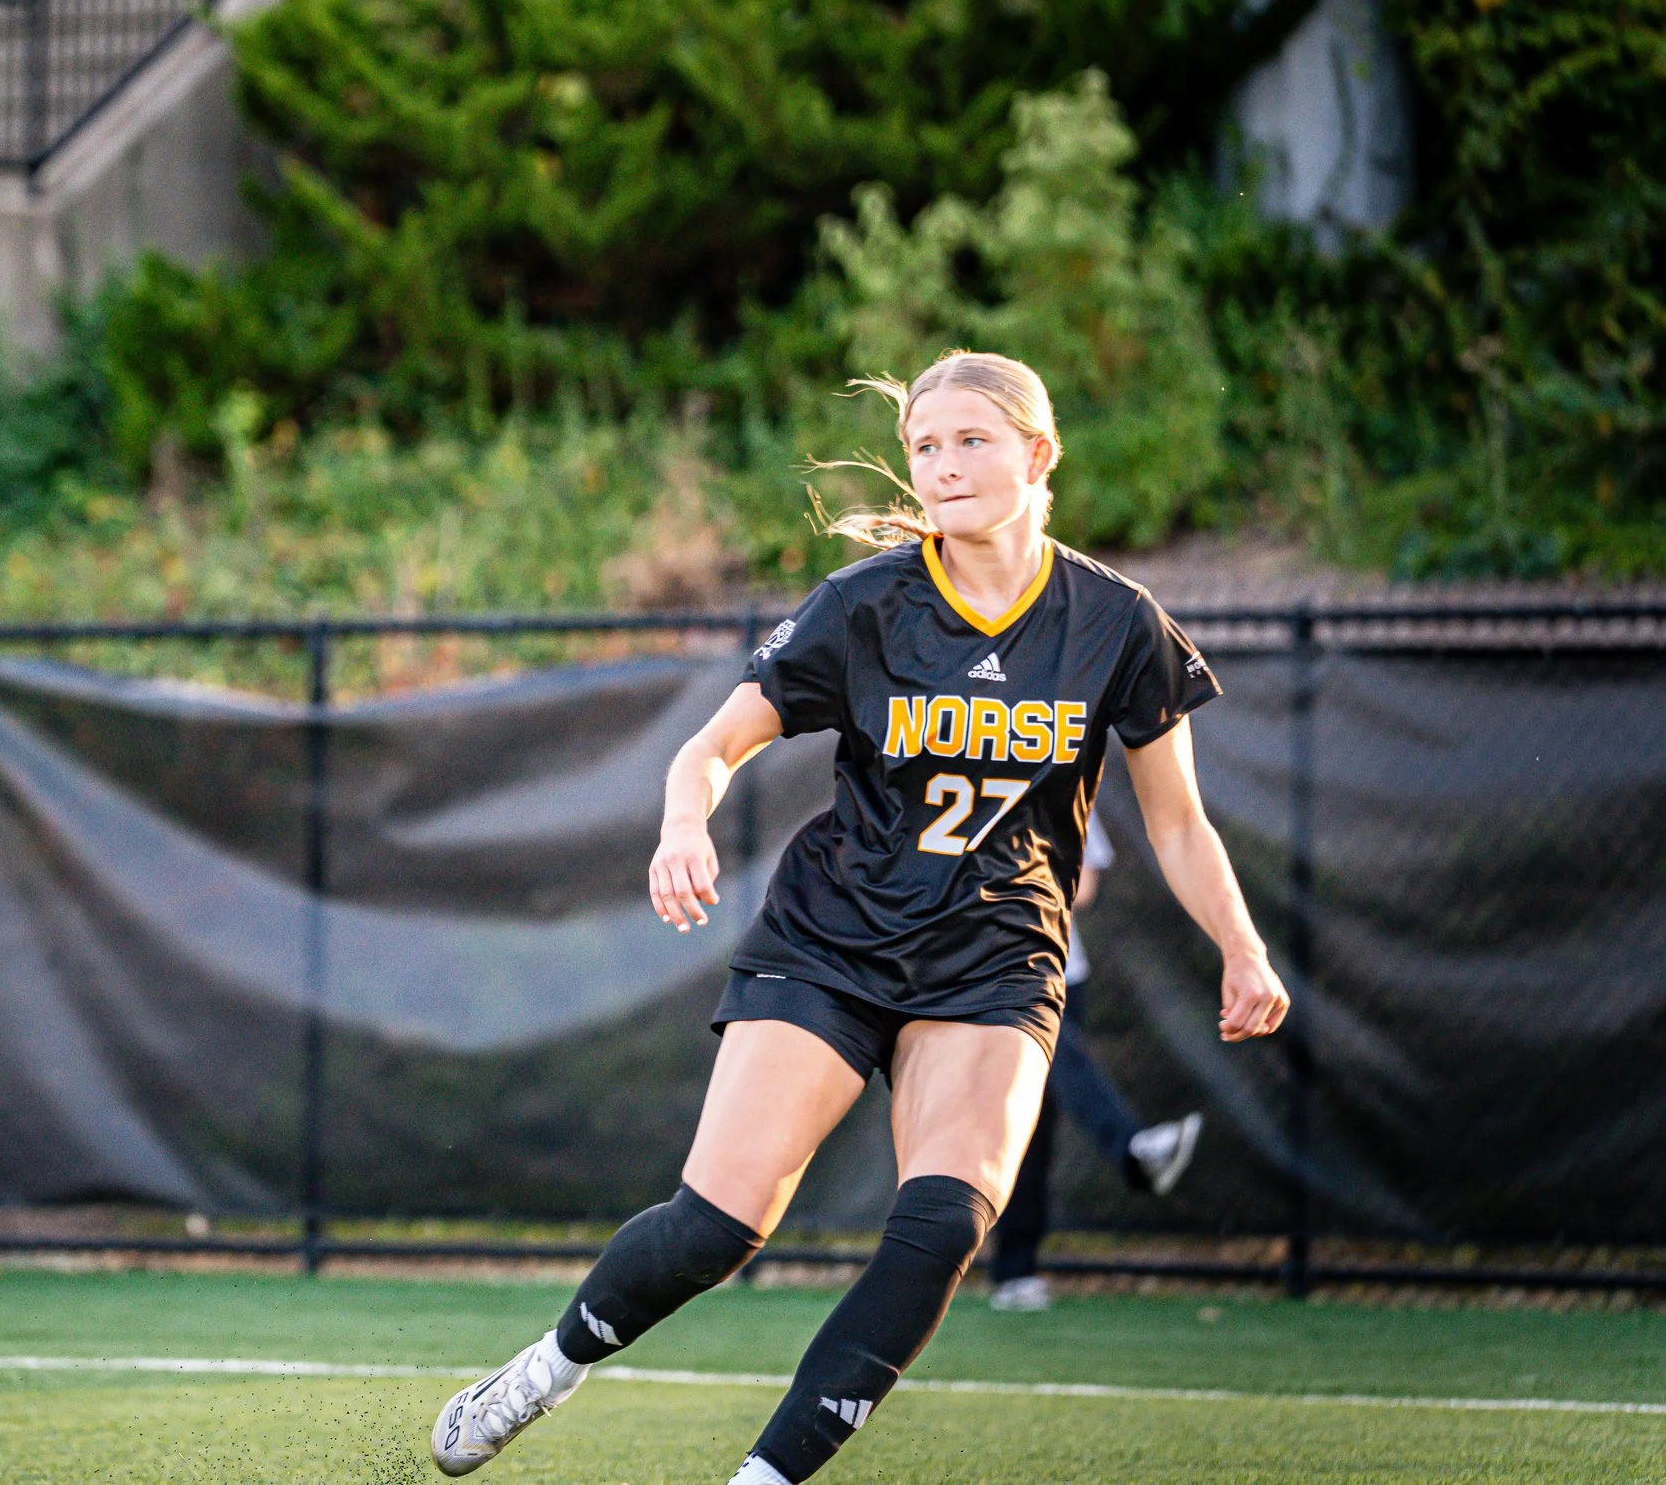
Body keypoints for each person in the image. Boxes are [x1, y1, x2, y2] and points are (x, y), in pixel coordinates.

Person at [429, 352, 1289, 1483]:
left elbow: (1175, 823)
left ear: (1039, 454)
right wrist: (683, 819)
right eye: (925, 445)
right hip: (834, 941)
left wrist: (1241, 943)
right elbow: (710, 745)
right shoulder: (867, 602)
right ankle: (543, 1369)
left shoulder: (1117, 622)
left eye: (971, 439)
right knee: (716, 1227)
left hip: (995, 959)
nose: (942, 464)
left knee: (941, 1225)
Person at [987, 820, 1204, 1313]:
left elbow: (1081, 888)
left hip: (1063, 976)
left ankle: (1016, 1272)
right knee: (1018, 1119)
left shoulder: (1073, 788)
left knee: (1036, 1121)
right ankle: (1132, 1147)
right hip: (988, 978)